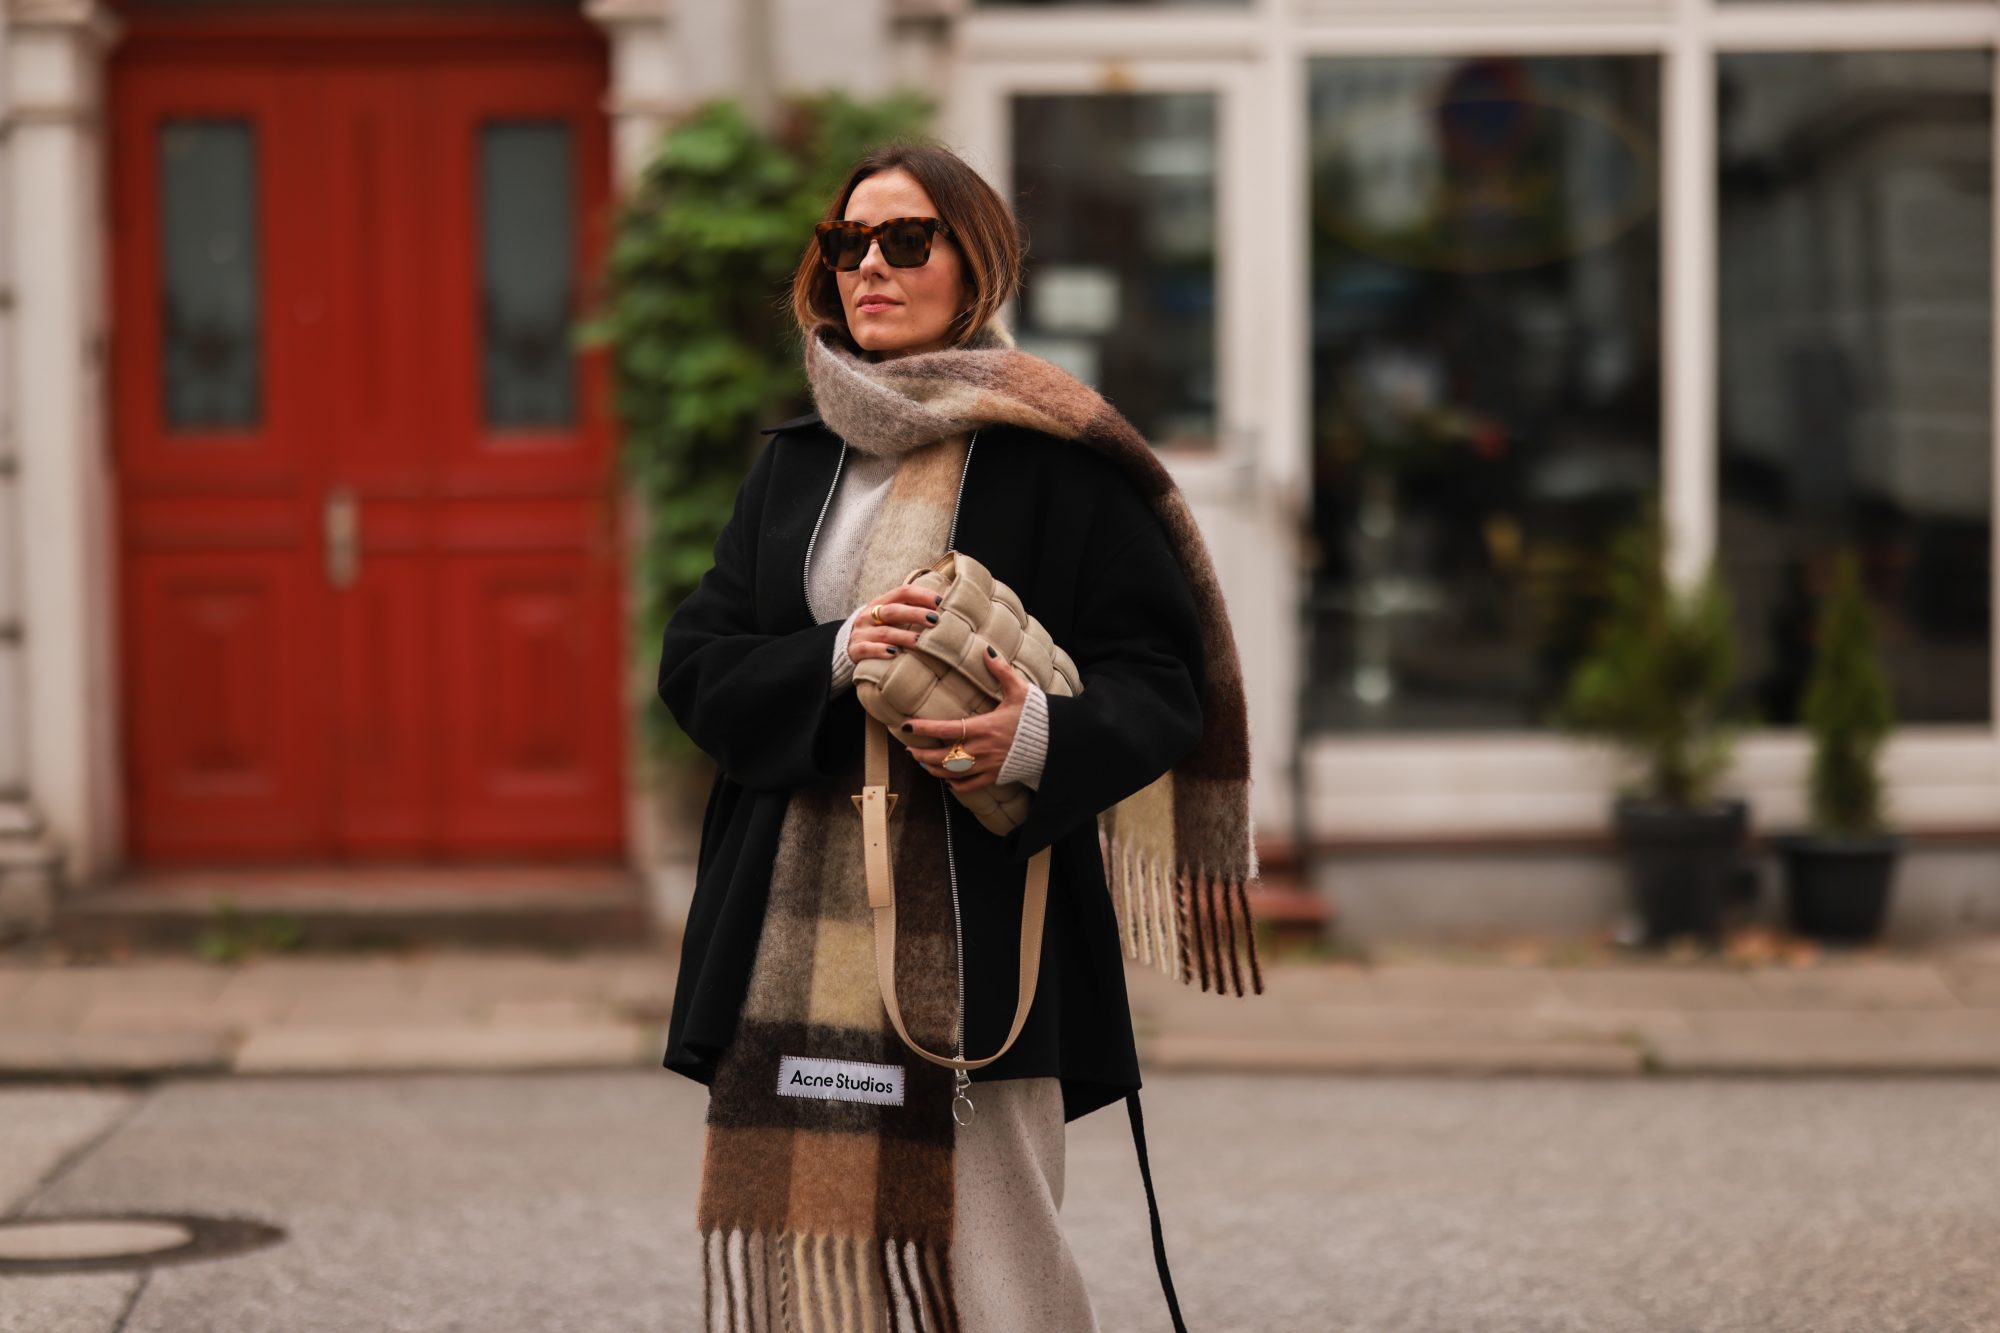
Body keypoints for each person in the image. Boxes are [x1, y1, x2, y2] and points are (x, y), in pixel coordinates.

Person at [657, 135, 1262, 1333]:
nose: (866, 266)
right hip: (790, 923)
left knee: (993, 1264)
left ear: (971, 263)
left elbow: (1159, 679)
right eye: (845, 243)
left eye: (904, 239)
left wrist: (1036, 736)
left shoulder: (1057, 458)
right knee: (813, 1265)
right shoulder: (791, 468)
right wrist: (839, 653)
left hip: (986, 918)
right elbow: (697, 664)